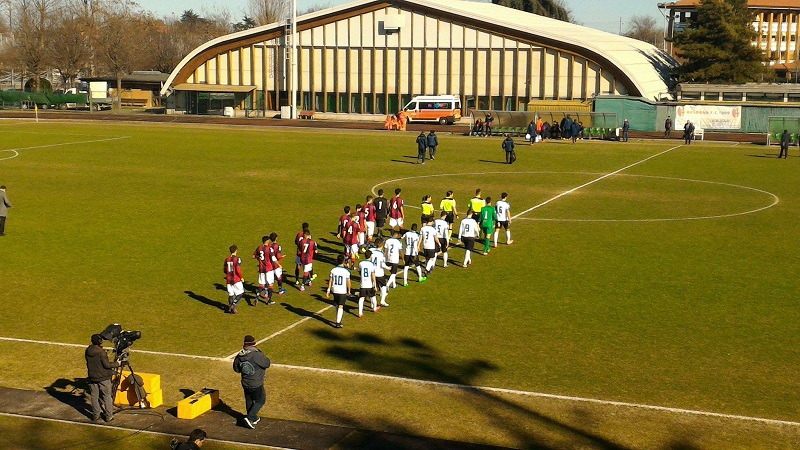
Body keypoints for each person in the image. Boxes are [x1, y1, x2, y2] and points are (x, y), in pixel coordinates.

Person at [233, 335, 271, 429]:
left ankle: (253, 417)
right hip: (256, 383)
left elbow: (236, 369)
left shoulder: (239, 355)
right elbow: (267, 364)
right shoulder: (256, 355)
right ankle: (250, 418)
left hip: (245, 382)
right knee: (261, 400)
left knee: (249, 399)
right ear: (253, 344)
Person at [85, 334, 120, 422]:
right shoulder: (101, 352)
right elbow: (107, 365)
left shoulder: (88, 350)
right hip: (103, 377)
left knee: (94, 396)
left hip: (92, 377)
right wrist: (117, 364)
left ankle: (96, 415)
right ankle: (109, 416)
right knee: (107, 396)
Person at [326, 254, 351, 328]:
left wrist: (328, 290)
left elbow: (330, 281)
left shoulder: (333, 270)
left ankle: (339, 320)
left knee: (337, 304)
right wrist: (349, 290)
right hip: (342, 290)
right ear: (343, 261)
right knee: (341, 306)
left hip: (335, 290)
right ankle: (338, 323)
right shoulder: (346, 271)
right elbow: (348, 282)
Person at [253, 236, 276, 306]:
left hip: (261, 269)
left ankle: (257, 296)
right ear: (267, 241)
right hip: (269, 269)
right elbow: (273, 258)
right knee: (271, 284)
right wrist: (279, 264)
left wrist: (259, 258)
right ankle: (269, 300)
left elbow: (253, 256)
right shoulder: (269, 249)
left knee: (262, 284)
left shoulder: (259, 248)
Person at [369, 239, 391, 308]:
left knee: (373, 287)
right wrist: (388, 268)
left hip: (372, 272)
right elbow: (382, 264)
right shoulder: (381, 254)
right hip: (379, 272)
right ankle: (382, 301)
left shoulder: (371, 250)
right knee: (383, 287)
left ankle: (372, 304)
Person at [224, 245, 244, 314]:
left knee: (231, 294)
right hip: (236, 279)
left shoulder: (227, 259)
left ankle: (231, 308)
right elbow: (238, 270)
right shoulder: (237, 259)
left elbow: (225, 270)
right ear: (236, 251)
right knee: (240, 293)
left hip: (229, 279)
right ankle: (233, 305)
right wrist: (241, 277)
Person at [357, 250, 377, 317]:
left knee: (361, 298)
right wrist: (375, 285)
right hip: (369, 284)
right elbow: (373, 275)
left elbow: (359, 272)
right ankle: (374, 308)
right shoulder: (372, 264)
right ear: (370, 256)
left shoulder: (361, 263)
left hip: (363, 283)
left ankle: (360, 313)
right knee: (373, 296)